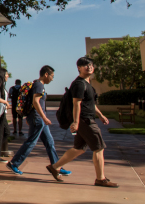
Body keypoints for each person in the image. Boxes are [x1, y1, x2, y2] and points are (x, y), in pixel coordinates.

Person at [47, 56, 118, 187]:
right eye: (85, 65)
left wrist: (101, 115)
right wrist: (75, 122)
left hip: (86, 119)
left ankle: (55, 167)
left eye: (91, 64)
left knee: (78, 149)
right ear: (79, 68)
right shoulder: (79, 84)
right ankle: (100, 179)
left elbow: (90, 103)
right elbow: (77, 103)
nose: (89, 66)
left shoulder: (87, 84)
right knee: (99, 148)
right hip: (85, 120)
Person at [6, 65, 71, 178]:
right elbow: (35, 102)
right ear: (46, 74)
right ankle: (14, 163)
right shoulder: (39, 85)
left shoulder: (38, 85)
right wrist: (44, 118)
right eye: (52, 76)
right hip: (38, 119)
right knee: (31, 142)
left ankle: (57, 166)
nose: (52, 79)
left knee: (50, 142)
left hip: (38, 119)